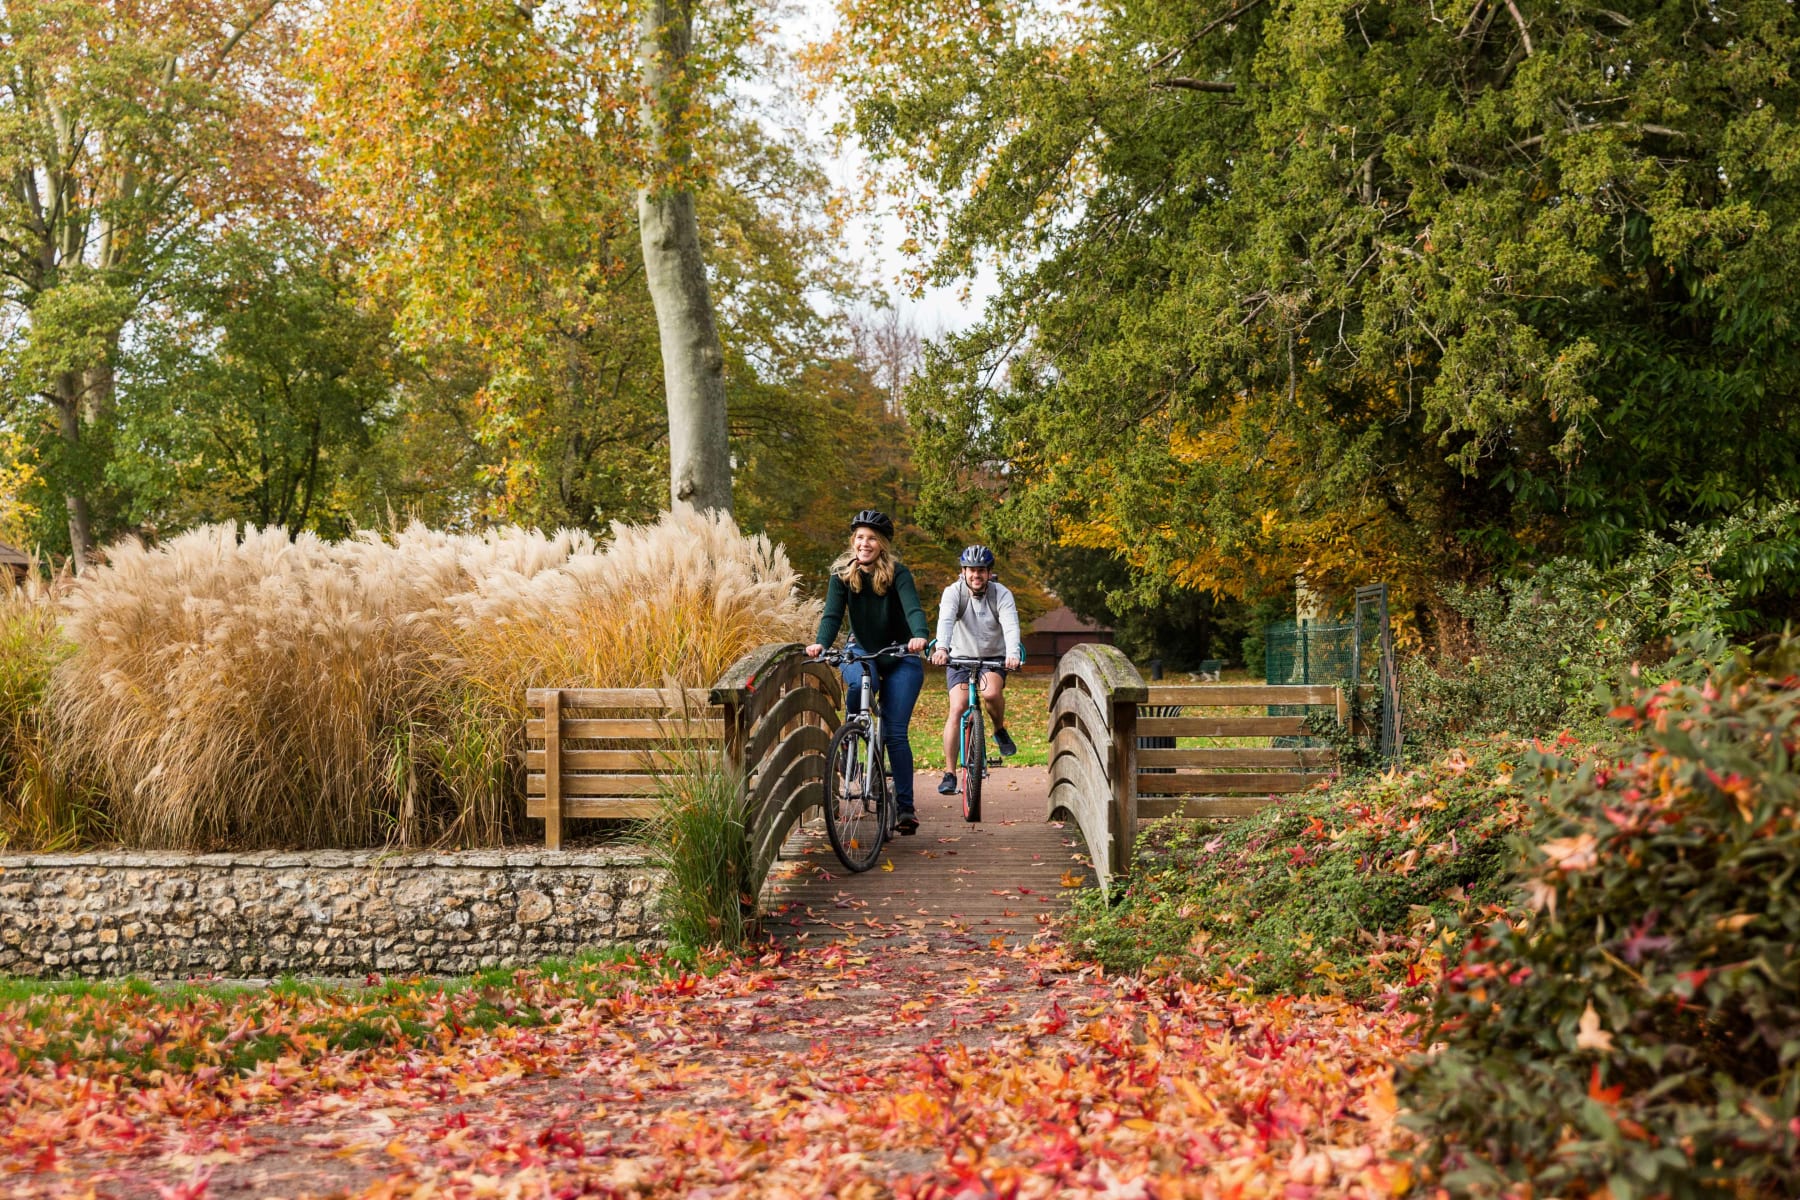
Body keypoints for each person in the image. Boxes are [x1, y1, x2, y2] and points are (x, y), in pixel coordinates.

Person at [805, 510, 931, 834]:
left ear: (882, 544)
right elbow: (832, 616)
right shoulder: (841, 576)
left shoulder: (898, 574)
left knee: (895, 733)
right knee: (861, 683)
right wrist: (821, 643)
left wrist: (920, 635)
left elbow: (913, 608)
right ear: (853, 542)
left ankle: (905, 808)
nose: (865, 543)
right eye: (860, 537)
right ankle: (853, 734)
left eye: (872, 538)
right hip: (861, 650)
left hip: (901, 653)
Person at [929, 544, 1022, 795]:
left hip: (993, 658)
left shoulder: (1001, 594)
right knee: (958, 707)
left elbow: (1010, 625)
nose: (976, 575)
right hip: (958, 657)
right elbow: (946, 620)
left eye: (981, 570)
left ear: (989, 572)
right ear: (963, 571)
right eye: (971, 570)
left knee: (991, 693)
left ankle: (998, 730)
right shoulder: (953, 593)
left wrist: (1013, 654)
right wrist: (942, 648)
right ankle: (949, 773)